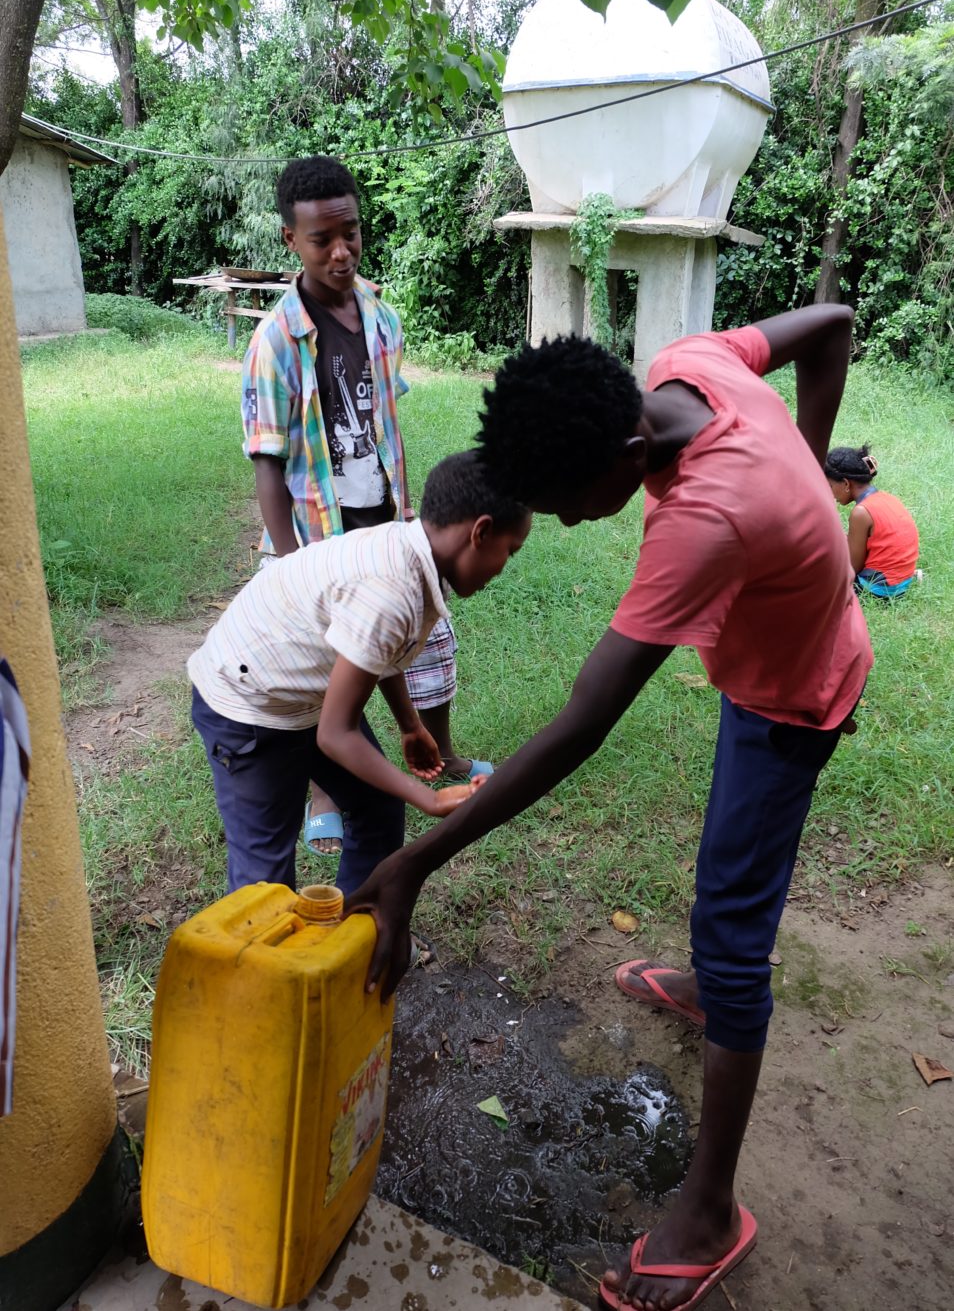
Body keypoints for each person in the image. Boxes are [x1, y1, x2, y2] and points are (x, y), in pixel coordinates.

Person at [343, 307, 873, 1311]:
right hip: (768, 650)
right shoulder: (691, 365)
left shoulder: (706, 520)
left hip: (795, 692)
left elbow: (580, 727)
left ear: (631, 448)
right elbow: (832, 324)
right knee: (726, 874)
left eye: (578, 505)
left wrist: (416, 861)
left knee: (732, 921)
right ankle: (712, 986)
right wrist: (804, 470)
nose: (580, 524)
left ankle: (710, 1208)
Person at [242, 155, 491, 858]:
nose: (341, 250)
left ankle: (438, 751)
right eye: (322, 239)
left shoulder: (380, 315)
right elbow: (267, 460)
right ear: (291, 239)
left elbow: (384, 420)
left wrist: (403, 509)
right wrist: (293, 568)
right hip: (314, 545)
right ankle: (327, 795)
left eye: (350, 232)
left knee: (428, 640)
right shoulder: (274, 340)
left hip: (387, 523)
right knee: (331, 672)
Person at [188, 451, 530, 899]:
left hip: (305, 692)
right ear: (480, 532)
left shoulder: (408, 550)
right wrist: (427, 798)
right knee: (264, 881)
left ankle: (354, 936)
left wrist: (410, 725)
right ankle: (263, 965)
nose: (505, 567)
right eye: (510, 551)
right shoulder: (391, 590)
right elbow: (335, 734)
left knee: (377, 805)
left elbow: (372, 648)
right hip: (249, 706)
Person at [825, 443, 919, 598]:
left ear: (846, 483)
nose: (830, 493)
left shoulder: (861, 512)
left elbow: (852, 568)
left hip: (880, 589)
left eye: (830, 486)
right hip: (902, 580)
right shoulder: (887, 498)